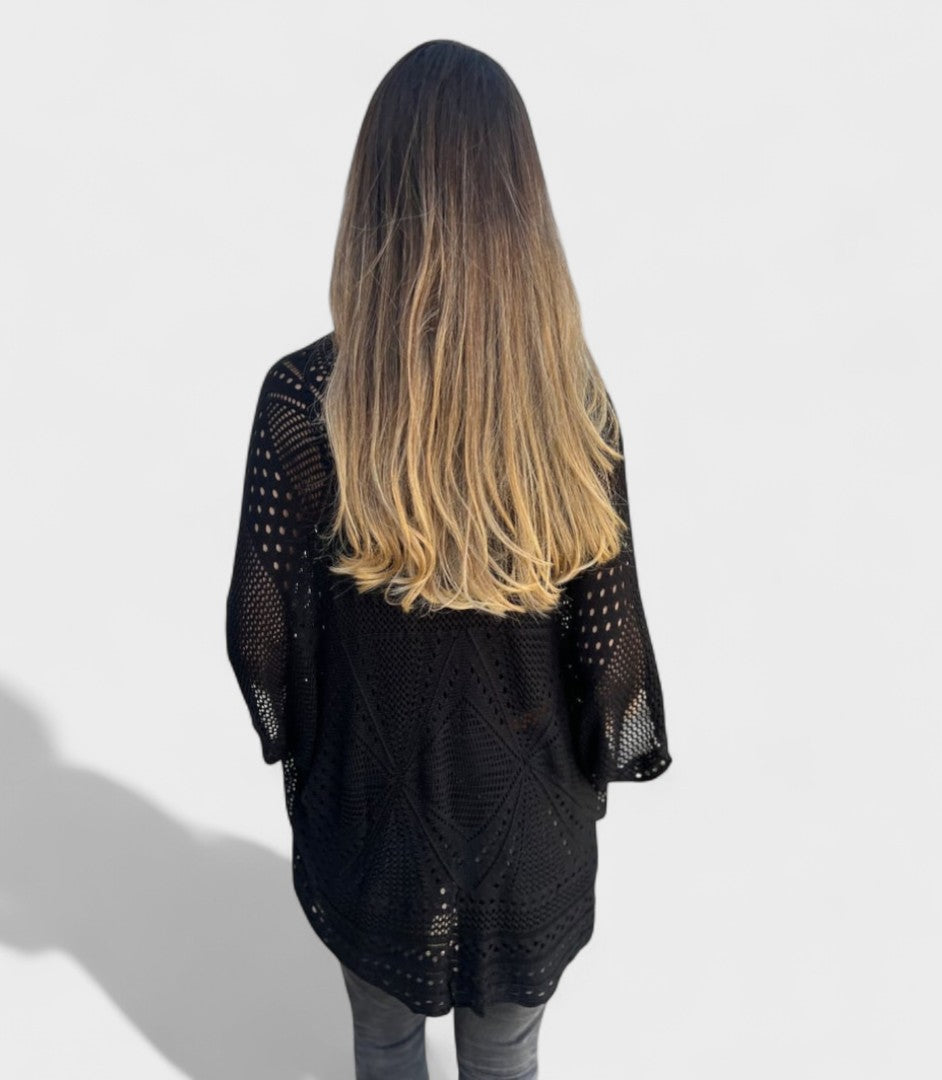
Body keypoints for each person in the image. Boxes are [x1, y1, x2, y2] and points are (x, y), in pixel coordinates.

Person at [225, 39, 673, 1080]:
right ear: (520, 208)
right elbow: (613, 663)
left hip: (372, 827)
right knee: (507, 1051)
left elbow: (260, 637)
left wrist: (313, 751)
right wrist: (583, 772)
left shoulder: (306, 402)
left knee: (384, 1040)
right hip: (529, 840)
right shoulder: (573, 407)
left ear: (373, 200)